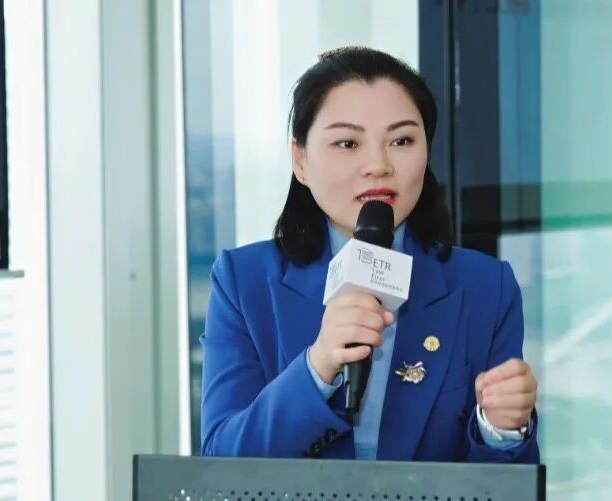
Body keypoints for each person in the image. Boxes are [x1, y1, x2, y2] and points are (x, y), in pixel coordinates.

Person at [201, 47, 539, 463]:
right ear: (300, 160)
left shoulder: (486, 287)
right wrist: (317, 366)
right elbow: (221, 462)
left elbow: (507, 495)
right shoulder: (242, 282)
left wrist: (501, 429)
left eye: (401, 141)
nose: (378, 165)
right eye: (347, 143)